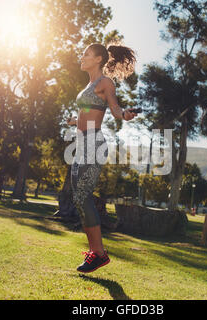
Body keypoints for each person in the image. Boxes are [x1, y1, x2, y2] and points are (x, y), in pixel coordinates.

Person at [66, 43, 138, 273]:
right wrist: (74, 122)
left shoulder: (105, 82)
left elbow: (114, 108)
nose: (82, 57)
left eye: (86, 54)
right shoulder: (88, 85)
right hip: (82, 144)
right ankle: (96, 253)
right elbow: (88, 114)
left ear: (98, 59)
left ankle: (98, 254)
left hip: (93, 144)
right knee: (79, 196)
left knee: (82, 195)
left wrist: (124, 114)